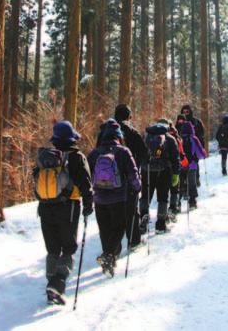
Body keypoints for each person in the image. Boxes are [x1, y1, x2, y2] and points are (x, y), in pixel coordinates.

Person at [34, 120, 93, 305]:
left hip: (45, 207)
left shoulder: (43, 157)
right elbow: (86, 184)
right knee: (68, 247)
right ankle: (57, 283)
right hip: (68, 207)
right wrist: (88, 204)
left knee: (52, 248)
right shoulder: (76, 157)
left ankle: (51, 285)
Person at [87, 119, 141, 276]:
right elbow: (133, 173)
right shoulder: (123, 151)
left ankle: (108, 260)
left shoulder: (95, 153)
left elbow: (86, 173)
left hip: (99, 198)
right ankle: (109, 256)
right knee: (119, 227)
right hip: (118, 197)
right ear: (119, 136)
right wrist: (137, 187)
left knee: (105, 229)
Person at [96, 104, 147, 249]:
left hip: (105, 179)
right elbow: (144, 153)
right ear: (128, 116)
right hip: (128, 178)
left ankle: (112, 248)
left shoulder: (104, 132)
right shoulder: (132, 132)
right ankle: (134, 241)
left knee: (111, 213)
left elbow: (97, 152)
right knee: (131, 211)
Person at [139, 121, 180, 233]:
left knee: (145, 196)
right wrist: (176, 173)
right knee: (162, 197)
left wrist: (140, 169)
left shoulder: (146, 137)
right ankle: (160, 225)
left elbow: (139, 154)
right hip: (164, 171)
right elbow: (176, 158)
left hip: (146, 171)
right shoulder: (170, 139)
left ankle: (143, 217)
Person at [178, 120, 206, 210]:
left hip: (181, 165)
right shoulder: (194, 139)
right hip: (192, 165)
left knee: (180, 184)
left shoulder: (179, 139)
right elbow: (201, 154)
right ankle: (192, 202)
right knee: (192, 184)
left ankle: (177, 204)